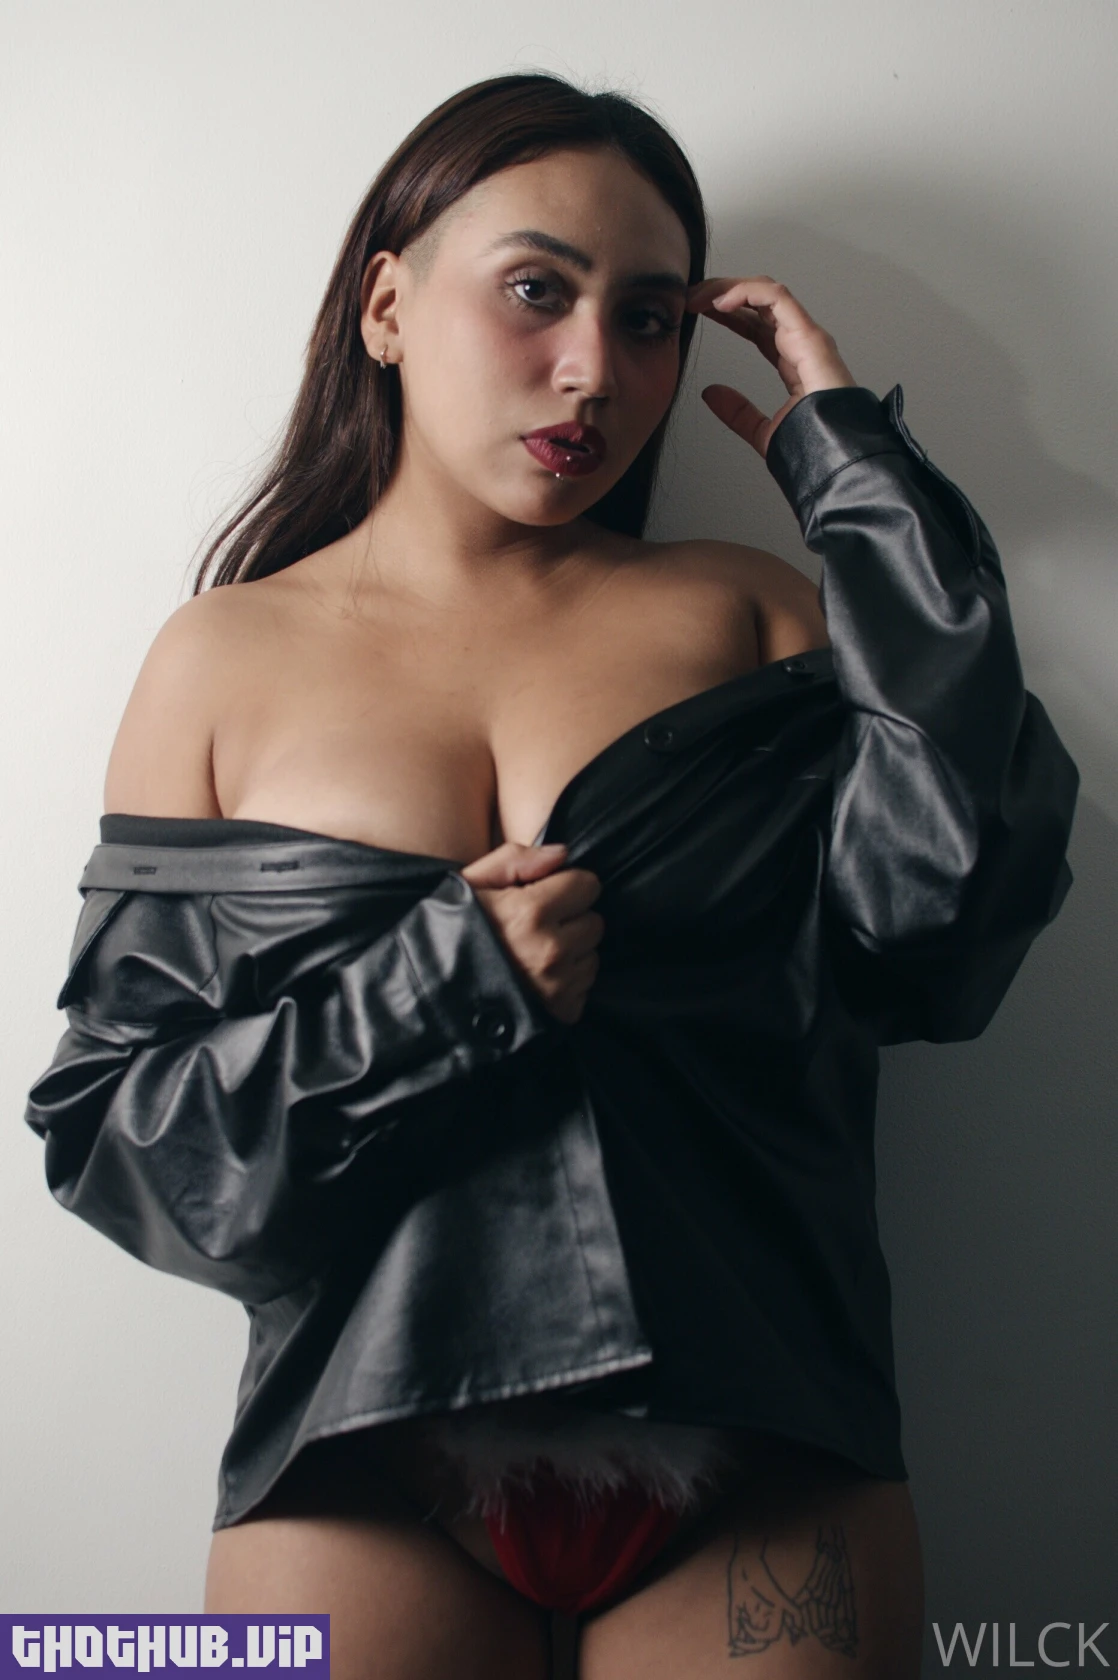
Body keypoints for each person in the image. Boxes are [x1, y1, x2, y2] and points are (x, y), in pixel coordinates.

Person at [25, 73, 1078, 1679]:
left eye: (648, 318)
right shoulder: (220, 661)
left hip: (766, 1430)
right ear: (387, 305)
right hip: (359, 1451)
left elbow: (946, 925)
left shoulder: (749, 610)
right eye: (537, 291)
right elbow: (123, 1144)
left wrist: (855, 476)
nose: (595, 368)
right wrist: (441, 993)